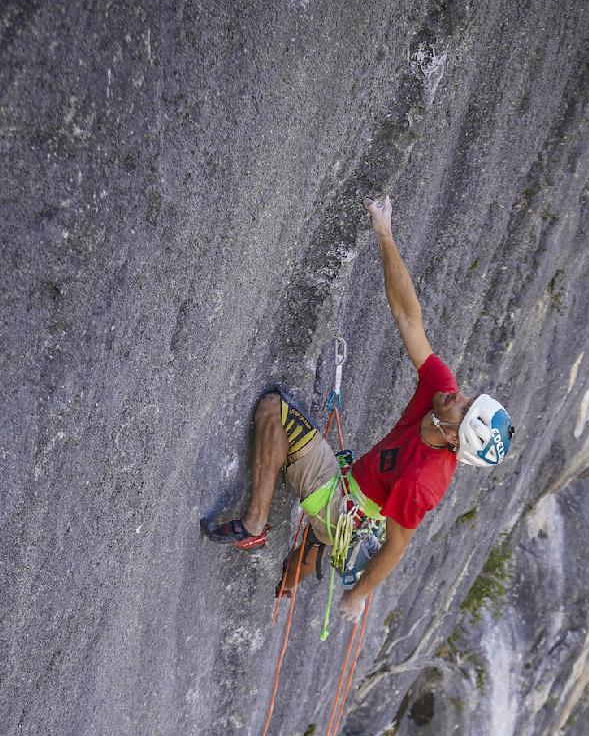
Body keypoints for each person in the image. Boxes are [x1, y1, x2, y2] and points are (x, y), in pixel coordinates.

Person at [202, 197, 514, 624]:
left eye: (463, 407)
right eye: (467, 398)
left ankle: (255, 525)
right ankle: (292, 577)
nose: (457, 396)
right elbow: (408, 316)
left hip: (341, 501)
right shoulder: (441, 391)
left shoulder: (425, 480)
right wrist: (384, 235)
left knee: (273, 410)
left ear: (457, 438)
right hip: (348, 495)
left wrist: (360, 595)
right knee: (316, 536)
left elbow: (398, 545)